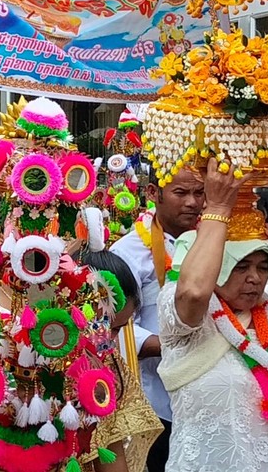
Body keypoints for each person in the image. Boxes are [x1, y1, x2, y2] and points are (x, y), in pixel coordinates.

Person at [158, 159, 268, 472]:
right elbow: (195, 291)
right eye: (240, 266)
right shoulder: (185, 311)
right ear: (216, 267)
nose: (255, 278)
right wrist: (219, 209)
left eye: (263, 267)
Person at [110, 168, 203, 472]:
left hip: (208, 398)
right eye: (181, 193)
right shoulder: (127, 251)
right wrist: (174, 345)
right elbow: (113, 324)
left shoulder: (211, 243)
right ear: (153, 193)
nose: (192, 202)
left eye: (199, 193)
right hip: (157, 403)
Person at [79, 249, 164, 472]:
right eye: (96, 325)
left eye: (116, 330)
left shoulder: (108, 364)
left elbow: (111, 445)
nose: (106, 339)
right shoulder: (32, 364)